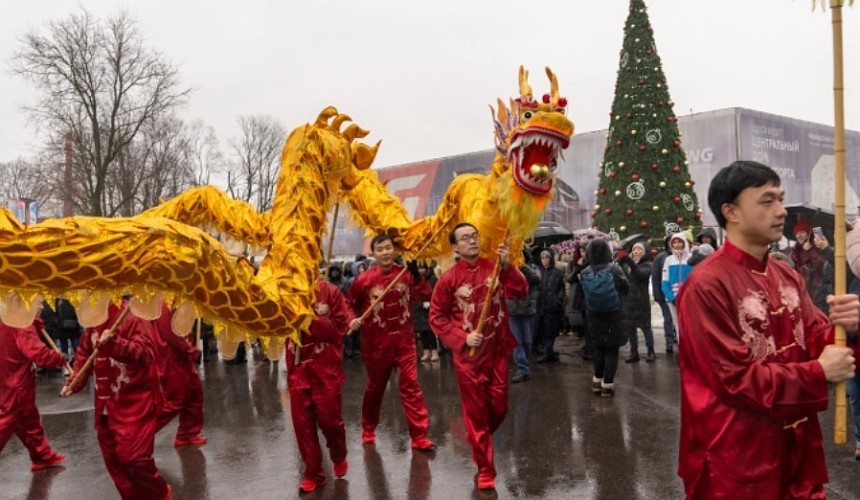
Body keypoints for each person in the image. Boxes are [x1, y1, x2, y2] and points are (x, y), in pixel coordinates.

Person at [676, 160, 858, 498]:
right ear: (730, 211)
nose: (781, 211)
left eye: (781, 198)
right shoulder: (706, 285)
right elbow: (734, 380)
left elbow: (817, 336)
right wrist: (817, 373)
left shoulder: (786, 275)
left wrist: (849, 328)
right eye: (767, 200)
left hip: (796, 448)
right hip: (735, 455)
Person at [429, 222, 528, 490]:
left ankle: (477, 439)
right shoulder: (448, 279)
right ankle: (485, 468)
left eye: (474, 236)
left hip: (496, 350)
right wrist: (463, 338)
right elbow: (436, 316)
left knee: (499, 407)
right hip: (470, 357)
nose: (472, 241)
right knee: (475, 413)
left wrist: (508, 265)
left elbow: (521, 290)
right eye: (465, 238)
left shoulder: (494, 266)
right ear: (455, 247)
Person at [62, 302, 172, 500]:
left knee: (134, 459)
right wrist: (74, 381)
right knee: (115, 464)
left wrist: (116, 344)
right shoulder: (94, 320)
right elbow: (84, 353)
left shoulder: (132, 316)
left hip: (135, 404)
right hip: (105, 408)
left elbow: (147, 354)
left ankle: (160, 494)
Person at [347, 234, 435, 451]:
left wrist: (416, 275)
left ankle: (419, 435)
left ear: (394, 250)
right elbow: (348, 304)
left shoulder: (405, 275)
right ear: (374, 253)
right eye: (380, 249)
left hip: (404, 342)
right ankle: (368, 427)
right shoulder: (364, 280)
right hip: (376, 345)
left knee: (411, 387)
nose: (385, 252)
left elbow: (425, 294)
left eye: (389, 248)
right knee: (375, 388)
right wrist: (352, 319)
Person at [288, 278, 354, 493]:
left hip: (326, 369)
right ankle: (313, 472)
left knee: (330, 422)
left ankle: (338, 453)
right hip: (298, 370)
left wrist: (315, 318)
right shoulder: (282, 289)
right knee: (302, 426)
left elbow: (339, 330)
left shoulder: (331, 292)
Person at [0, 308, 69, 470]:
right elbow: (38, 353)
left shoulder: (9, 319)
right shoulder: (22, 324)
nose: (42, 307)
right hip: (18, 383)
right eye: (38, 302)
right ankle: (42, 455)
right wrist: (59, 358)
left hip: (9, 378)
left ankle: (42, 455)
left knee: (29, 421)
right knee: (8, 421)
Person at [152, 304, 206, 448]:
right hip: (172, 358)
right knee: (176, 399)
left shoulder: (180, 299)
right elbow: (170, 333)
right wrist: (188, 349)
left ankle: (187, 434)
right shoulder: (164, 303)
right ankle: (142, 433)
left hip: (183, 356)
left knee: (194, 395)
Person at [581, 239, 629, 397]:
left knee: (598, 349)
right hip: (613, 315)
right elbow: (625, 287)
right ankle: (607, 385)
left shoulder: (586, 271)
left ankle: (596, 381)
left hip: (593, 315)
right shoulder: (614, 269)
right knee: (611, 350)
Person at [618, 242, 655, 363]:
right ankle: (634, 352)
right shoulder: (627, 265)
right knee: (630, 328)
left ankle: (650, 351)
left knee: (646, 327)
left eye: (639, 249)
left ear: (644, 252)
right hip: (628, 300)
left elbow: (640, 274)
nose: (636, 251)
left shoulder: (648, 264)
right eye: (634, 249)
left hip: (641, 301)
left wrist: (630, 262)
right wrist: (621, 262)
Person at [507, 253, 541, 383]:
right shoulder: (507, 268)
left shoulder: (531, 267)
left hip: (527, 310)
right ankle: (522, 368)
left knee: (527, 341)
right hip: (512, 310)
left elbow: (537, 280)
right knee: (517, 341)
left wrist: (522, 266)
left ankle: (524, 365)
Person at [534, 249, 565, 363]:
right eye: (542, 258)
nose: (544, 260)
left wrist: (558, 300)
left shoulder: (557, 272)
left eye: (546, 258)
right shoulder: (538, 272)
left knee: (550, 330)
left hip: (552, 307)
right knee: (542, 329)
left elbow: (561, 288)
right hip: (541, 306)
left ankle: (548, 352)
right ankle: (547, 351)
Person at [661, 233, 692, 345]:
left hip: (689, 299)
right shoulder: (668, 260)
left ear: (684, 243)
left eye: (679, 242)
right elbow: (664, 281)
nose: (677, 244)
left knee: (690, 326)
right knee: (678, 325)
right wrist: (671, 297)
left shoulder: (691, 259)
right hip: (673, 300)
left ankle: (693, 351)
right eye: (674, 242)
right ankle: (682, 350)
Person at [651, 236, 677, 353]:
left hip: (680, 294)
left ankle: (678, 337)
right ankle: (669, 342)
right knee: (668, 319)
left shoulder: (685, 257)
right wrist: (657, 294)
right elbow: (656, 278)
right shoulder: (661, 258)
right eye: (672, 242)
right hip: (665, 294)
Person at [413, 263, 440, 362]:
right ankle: (426, 351)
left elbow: (437, 292)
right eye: (419, 268)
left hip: (429, 308)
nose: (421, 270)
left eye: (423, 268)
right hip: (418, 308)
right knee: (422, 330)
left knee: (430, 330)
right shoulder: (414, 279)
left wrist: (430, 301)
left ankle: (434, 350)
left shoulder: (433, 278)